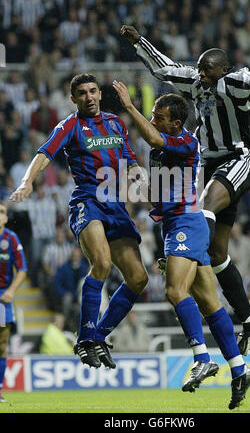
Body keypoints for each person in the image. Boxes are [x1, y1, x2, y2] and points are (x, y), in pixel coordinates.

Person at [121, 24, 250, 356]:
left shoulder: (232, 83)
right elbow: (163, 68)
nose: (202, 74)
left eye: (208, 69)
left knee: (203, 207)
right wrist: (138, 42)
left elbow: (245, 79)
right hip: (212, 166)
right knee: (218, 254)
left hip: (239, 158)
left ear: (223, 71)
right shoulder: (195, 81)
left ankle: (185, 257)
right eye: (200, 68)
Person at [113, 80, 250, 410]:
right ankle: (240, 368)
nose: (152, 120)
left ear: (175, 123)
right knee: (209, 302)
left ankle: (201, 357)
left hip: (187, 222)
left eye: (158, 117)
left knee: (176, 291)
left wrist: (129, 107)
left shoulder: (185, 141)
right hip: (173, 224)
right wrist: (135, 180)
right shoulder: (159, 150)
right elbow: (157, 192)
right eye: (151, 114)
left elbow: (150, 135)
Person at [10, 73, 148, 371]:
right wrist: (27, 181)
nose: (89, 97)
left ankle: (97, 336)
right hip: (87, 199)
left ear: (100, 94)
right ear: (74, 99)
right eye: (82, 93)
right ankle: (85, 338)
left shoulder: (115, 122)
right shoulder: (70, 125)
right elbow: (45, 152)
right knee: (101, 262)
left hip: (116, 204)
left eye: (93, 91)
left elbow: (129, 160)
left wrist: (142, 182)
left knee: (139, 278)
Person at [0, 201, 27, 402]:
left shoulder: (11, 238)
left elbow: (22, 270)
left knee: (1, 344)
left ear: (6, 217)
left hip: (2, 298)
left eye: (2, 212)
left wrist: (11, 291)